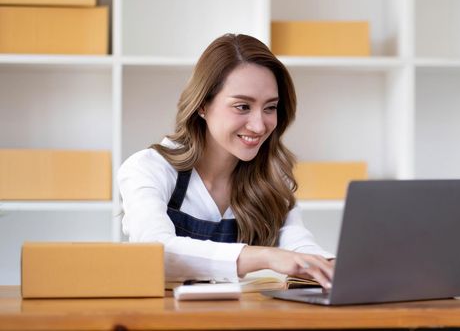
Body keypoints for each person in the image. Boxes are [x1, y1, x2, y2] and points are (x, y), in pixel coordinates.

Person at [118, 33, 334, 289]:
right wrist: (265, 256)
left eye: (270, 107)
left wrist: (329, 265)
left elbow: (297, 244)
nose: (259, 125)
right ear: (202, 105)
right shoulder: (149, 168)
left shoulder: (274, 179)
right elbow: (154, 252)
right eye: (243, 106)